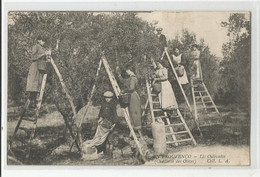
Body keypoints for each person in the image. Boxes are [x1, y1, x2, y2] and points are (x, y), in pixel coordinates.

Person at [82, 91, 118, 157]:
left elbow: (115, 115)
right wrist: (100, 119)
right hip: (103, 124)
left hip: (110, 124)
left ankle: (110, 154)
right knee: (103, 139)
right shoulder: (103, 105)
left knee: (110, 139)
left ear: (111, 98)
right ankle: (106, 154)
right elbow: (100, 113)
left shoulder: (113, 105)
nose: (107, 99)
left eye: (109, 98)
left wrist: (114, 124)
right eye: (106, 98)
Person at [116, 65, 142, 135]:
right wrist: (119, 75)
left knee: (134, 111)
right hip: (131, 95)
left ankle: (137, 129)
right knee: (131, 111)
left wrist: (123, 91)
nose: (127, 72)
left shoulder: (133, 78)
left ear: (131, 70)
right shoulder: (130, 78)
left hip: (133, 95)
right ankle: (134, 129)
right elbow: (124, 81)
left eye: (128, 70)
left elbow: (131, 88)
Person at [26, 36, 51, 108]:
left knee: (38, 84)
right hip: (35, 67)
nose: (44, 42)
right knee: (33, 83)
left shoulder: (43, 48)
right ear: (39, 40)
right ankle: (31, 102)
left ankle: (34, 102)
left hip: (40, 67)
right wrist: (43, 54)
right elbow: (32, 57)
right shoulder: (36, 47)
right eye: (42, 41)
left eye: (44, 41)